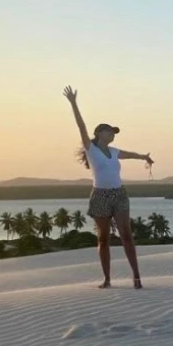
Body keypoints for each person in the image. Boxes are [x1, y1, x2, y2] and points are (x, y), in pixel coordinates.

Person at [63, 86, 154, 289]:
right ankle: (107, 279)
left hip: (119, 194)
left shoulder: (113, 151)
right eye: (109, 131)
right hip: (100, 196)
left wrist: (144, 157)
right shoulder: (91, 148)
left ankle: (137, 277)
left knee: (126, 235)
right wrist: (74, 103)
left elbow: (129, 154)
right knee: (103, 239)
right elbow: (81, 126)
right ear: (99, 133)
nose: (113, 134)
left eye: (114, 132)